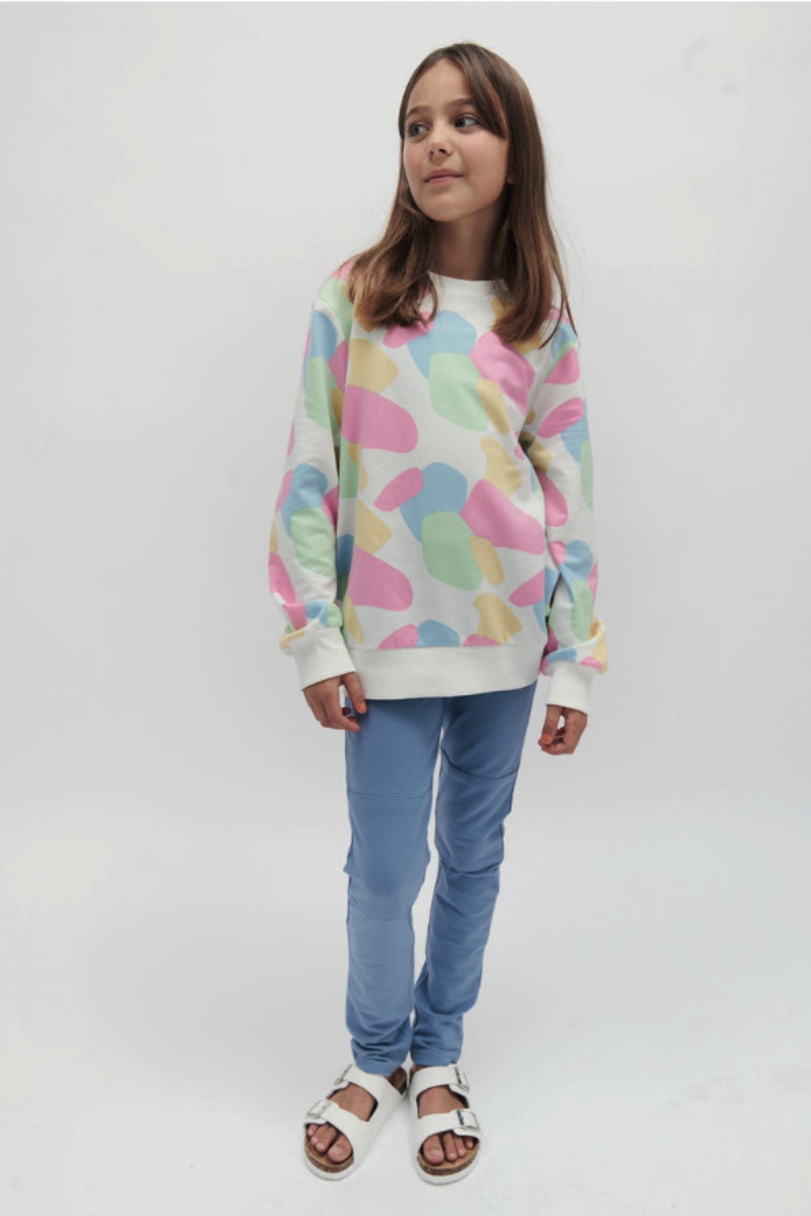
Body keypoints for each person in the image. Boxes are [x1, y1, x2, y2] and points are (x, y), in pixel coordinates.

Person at [268, 41, 609, 1184]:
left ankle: (440, 1051)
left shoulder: (537, 320)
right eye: (416, 125)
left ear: (514, 152)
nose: (437, 143)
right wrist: (315, 637)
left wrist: (573, 658)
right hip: (384, 649)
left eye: (465, 120)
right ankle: (375, 1057)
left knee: (472, 857)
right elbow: (309, 473)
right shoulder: (355, 296)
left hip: (506, 651)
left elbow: (568, 493)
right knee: (382, 870)